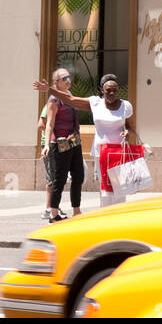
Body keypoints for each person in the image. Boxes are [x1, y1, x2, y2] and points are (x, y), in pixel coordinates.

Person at [34, 73, 144, 208]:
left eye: (115, 90)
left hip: (119, 152)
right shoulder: (95, 103)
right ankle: (105, 214)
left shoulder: (125, 105)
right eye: (108, 90)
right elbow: (71, 99)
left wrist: (127, 132)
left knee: (120, 186)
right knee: (105, 187)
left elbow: (129, 125)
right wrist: (49, 90)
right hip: (101, 152)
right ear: (102, 90)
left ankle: (118, 214)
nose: (112, 93)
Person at [43, 68, 85, 222]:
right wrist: (47, 144)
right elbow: (49, 124)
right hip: (61, 144)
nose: (68, 80)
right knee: (59, 179)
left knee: (78, 175)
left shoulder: (70, 95)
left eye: (69, 77)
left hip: (74, 141)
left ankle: (76, 210)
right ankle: (54, 214)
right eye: (64, 78)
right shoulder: (54, 100)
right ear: (57, 83)